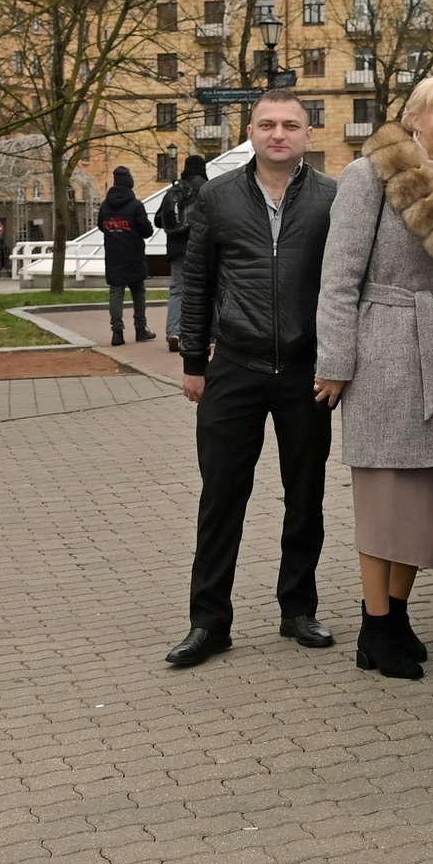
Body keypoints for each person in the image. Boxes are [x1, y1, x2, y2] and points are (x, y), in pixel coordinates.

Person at [314, 74, 433, 678]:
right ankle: (375, 626)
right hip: (380, 347)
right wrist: (334, 364)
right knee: (384, 496)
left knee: (420, 498)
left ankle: (396, 618)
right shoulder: (368, 176)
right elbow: (339, 277)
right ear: (413, 117)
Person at [170, 91, 339, 668]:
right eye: (267, 124)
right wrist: (194, 362)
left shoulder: (330, 198)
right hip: (233, 370)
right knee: (221, 499)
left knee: (306, 497)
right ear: (250, 131)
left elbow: (343, 290)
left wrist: (337, 363)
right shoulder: (217, 197)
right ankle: (208, 622)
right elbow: (197, 284)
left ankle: (298, 609)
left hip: (304, 374)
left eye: (291, 124)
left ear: (308, 134)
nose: (279, 134)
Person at [155, 153, 209, 352]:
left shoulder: (175, 189)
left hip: (176, 250)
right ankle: (200, 334)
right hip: (200, 248)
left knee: (177, 290)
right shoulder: (206, 188)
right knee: (203, 290)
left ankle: (174, 331)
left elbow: (158, 221)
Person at [98, 166, 156, 346]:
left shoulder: (105, 206)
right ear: (130, 182)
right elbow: (147, 231)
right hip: (133, 255)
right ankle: (140, 328)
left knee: (116, 292)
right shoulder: (135, 205)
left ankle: (117, 332)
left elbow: (101, 226)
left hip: (113, 254)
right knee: (138, 291)